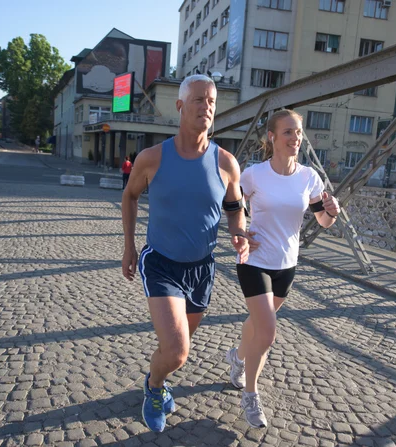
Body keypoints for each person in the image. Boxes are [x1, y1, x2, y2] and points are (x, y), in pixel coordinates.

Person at [121, 74, 250, 433]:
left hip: (201, 270)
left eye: (211, 101)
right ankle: (154, 387)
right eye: (198, 100)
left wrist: (239, 232)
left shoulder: (226, 162)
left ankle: (157, 375)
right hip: (160, 263)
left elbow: (235, 206)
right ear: (180, 106)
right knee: (178, 351)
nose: (206, 107)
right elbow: (130, 196)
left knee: (177, 346)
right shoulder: (151, 158)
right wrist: (129, 245)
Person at [224, 109, 340, 429]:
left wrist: (332, 211)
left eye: (298, 132)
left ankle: (236, 358)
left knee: (257, 324)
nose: (295, 138)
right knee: (269, 331)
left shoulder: (309, 177)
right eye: (288, 132)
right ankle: (250, 394)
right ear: (272, 137)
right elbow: (234, 207)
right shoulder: (254, 174)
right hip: (255, 261)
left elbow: (323, 221)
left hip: (287, 265)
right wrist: (240, 231)